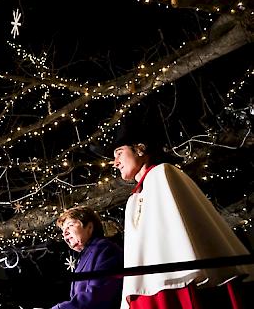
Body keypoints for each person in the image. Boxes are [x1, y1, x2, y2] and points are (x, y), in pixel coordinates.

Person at [106, 116, 254, 308]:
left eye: (119, 153)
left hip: (175, 282)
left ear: (140, 148)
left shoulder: (162, 174)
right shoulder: (133, 199)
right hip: (146, 289)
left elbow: (183, 233)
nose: (115, 162)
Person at [51, 206, 123, 309]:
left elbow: (98, 296)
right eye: (63, 230)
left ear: (89, 227)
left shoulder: (105, 249)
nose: (64, 233)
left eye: (70, 225)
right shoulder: (82, 259)